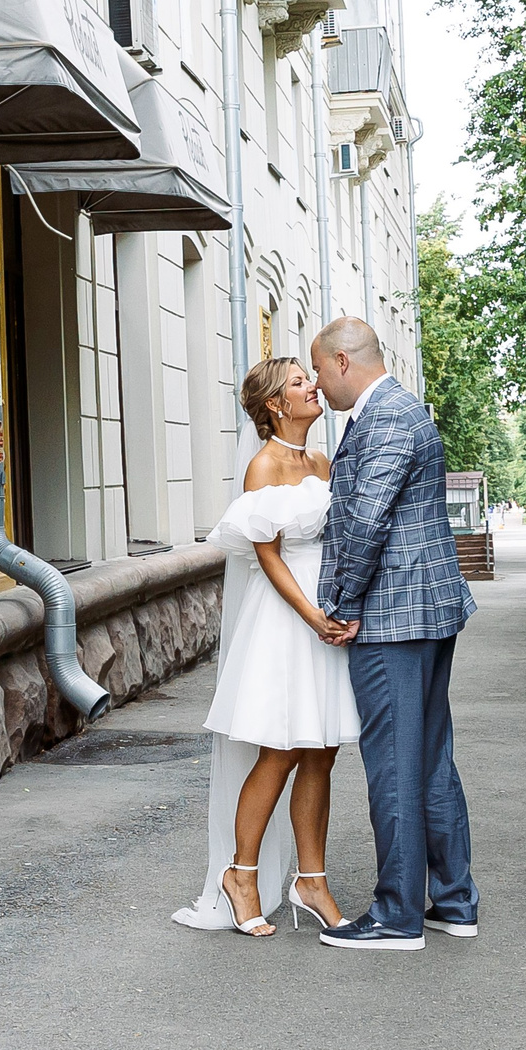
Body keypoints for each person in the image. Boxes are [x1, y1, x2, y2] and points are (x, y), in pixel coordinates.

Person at [172, 356, 360, 936]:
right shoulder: (263, 466)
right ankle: (241, 874)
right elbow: (267, 556)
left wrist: (339, 610)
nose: (313, 387)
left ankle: (312, 880)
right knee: (278, 750)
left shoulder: (324, 462)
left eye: (311, 378)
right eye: (300, 382)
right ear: (276, 404)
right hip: (286, 618)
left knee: (321, 750)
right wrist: (312, 617)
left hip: (326, 614)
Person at [309, 316, 480, 951]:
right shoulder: (406, 409)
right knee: (431, 756)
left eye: (321, 372)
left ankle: (397, 915)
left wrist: (342, 603)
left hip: (392, 616)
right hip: (428, 609)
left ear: (343, 362)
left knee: (395, 764)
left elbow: (365, 520)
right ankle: (454, 900)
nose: (320, 387)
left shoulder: (382, 417)